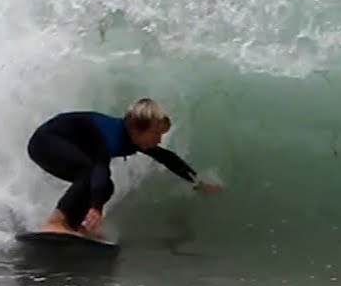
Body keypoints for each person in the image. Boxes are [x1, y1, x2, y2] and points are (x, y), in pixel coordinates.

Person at [26, 98, 221, 237]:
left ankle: (72, 226)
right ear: (136, 128)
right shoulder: (112, 135)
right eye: (155, 133)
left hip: (61, 145)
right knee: (90, 174)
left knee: (105, 186)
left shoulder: (132, 137)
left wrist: (198, 182)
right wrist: (96, 207)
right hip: (46, 142)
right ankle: (54, 222)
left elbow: (167, 158)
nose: (159, 139)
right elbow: (100, 168)